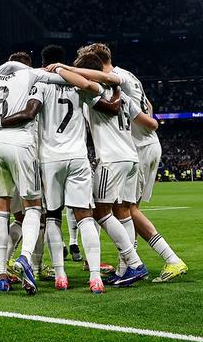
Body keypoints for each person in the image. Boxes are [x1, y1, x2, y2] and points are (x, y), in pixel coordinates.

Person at [0, 57, 102, 294]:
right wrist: (68, 70)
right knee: (79, 216)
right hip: (73, 155)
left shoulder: (35, 84)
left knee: (28, 214)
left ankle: (45, 274)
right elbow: (94, 88)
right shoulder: (70, 82)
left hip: (43, 157)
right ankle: (93, 277)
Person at [83, 43, 188, 283]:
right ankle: (127, 266)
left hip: (134, 148)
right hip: (145, 145)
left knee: (126, 210)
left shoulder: (114, 77)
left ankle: (164, 259)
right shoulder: (130, 76)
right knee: (124, 209)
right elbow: (149, 108)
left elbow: (96, 83)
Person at [61, 52, 158, 287]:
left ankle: (134, 263)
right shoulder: (121, 92)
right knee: (123, 212)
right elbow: (150, 118)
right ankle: (126, 268)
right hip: (131, 158)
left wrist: (62, 69)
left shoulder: (95, 91)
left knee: (99, 212)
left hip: (111, 159)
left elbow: (95, 93)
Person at [37, 44, 114, 293]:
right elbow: (97, 90)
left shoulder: (40, 82)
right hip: (78, 157)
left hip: (50, 158)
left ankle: (60, 275)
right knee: (85, 216)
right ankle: (95, 277)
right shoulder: (77, 82)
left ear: (44, 62)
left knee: (52, 216)